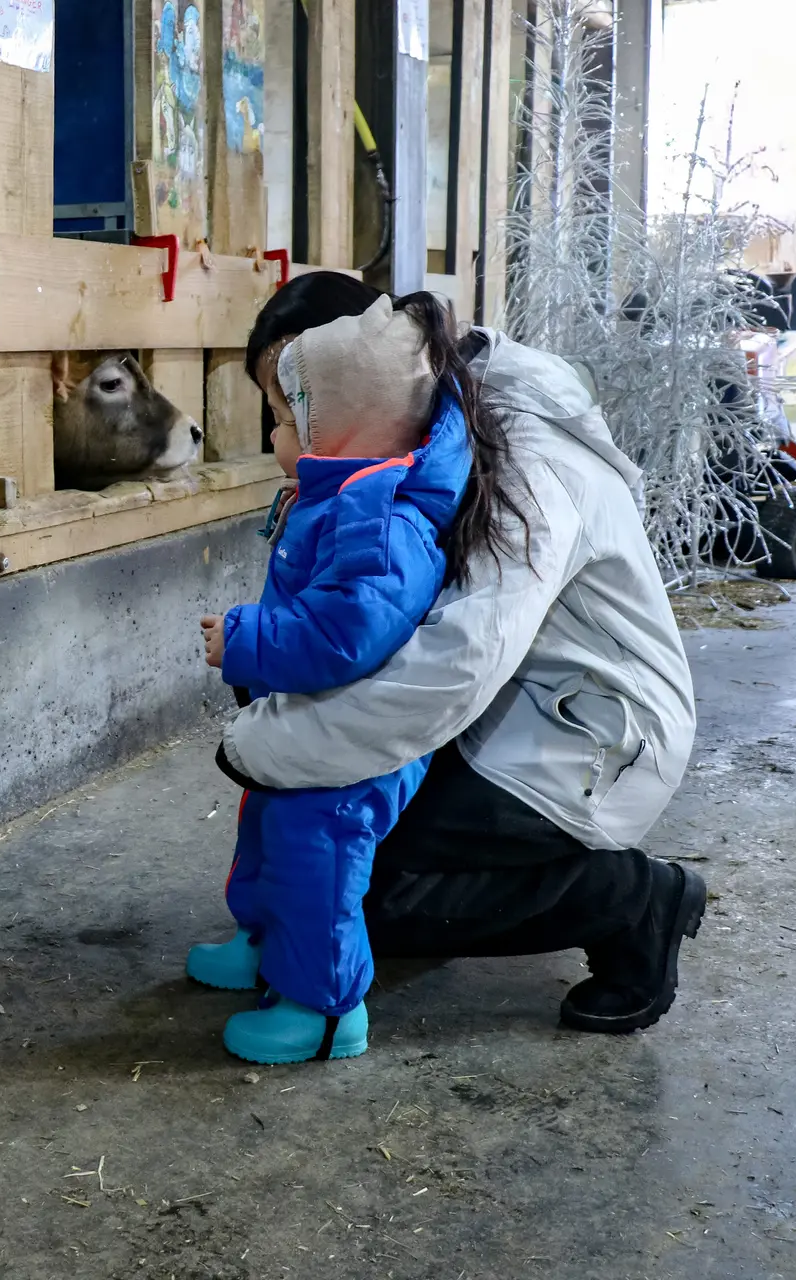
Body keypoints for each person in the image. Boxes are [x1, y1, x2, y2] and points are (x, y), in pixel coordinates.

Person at [212, 272, 703, 1036]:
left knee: (360, 889)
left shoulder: (525, 460)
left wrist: (269, 743)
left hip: (587, 735)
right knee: (325, 857)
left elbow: (457, 660)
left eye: (298, 405)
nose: (290, 437)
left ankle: (631, 899)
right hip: (508, 708)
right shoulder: (424, 431)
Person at [187, 295, 480, 1064]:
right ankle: (262, 948)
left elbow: (346, 635)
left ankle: (321, 1010)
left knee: (314, 860)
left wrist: (246, 640)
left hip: (355, 739)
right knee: (266, 827)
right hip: (314, 720)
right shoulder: (341, 497)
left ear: (340, 427)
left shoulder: (380, 519)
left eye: (285, 419)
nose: (273, 433)